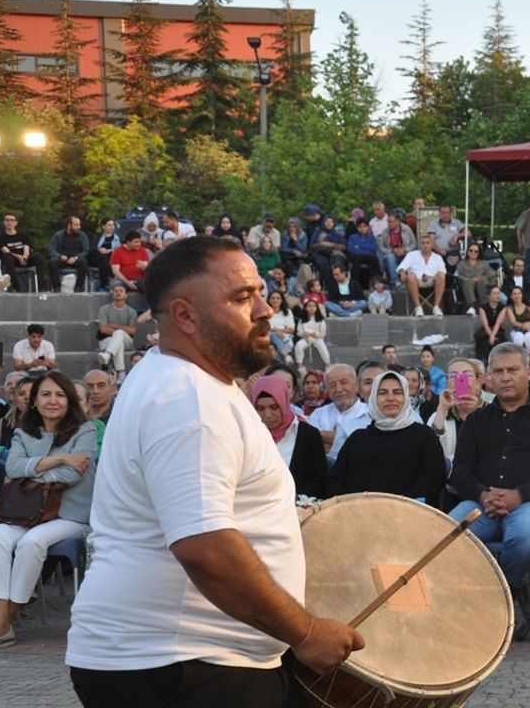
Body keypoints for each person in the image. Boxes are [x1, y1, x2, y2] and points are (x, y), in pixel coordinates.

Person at [67, 237, 364, 704]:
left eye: (261, 292)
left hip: (185, 658)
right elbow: (206, 546)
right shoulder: (190, 402)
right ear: (184, 316)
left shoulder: (185, 379)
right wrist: (305, 634)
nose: (266, 309)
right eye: (243, 298)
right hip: (185, 664)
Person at [450, 344, 530, 641]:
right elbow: (460, 472)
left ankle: (502, 596)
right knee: (447, 537)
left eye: (512, 370)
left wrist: (520, 494)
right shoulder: (476, 421)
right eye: (498, 371)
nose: (505, 377)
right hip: (483, 502)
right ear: (488, 378)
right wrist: (483, 495)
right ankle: (497, 599)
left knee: (525, 538)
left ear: (528, 373)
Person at [0, 372, 97, 649]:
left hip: (70, 514)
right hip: (27, 512)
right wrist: (60, 457)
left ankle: (4, 622)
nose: (53, 400)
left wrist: (34, 473)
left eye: (60, 394)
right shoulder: (23, 432)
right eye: (46, 394)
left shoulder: (84, 430)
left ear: (69, 400)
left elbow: (73, 475)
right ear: (35, 401)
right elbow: (13, 467)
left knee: (32, 542)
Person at [328, 371, 445, 504]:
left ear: (406, 397)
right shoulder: (357, 439)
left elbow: (433, 478)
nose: (390, 398)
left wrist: (394, 507)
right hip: (358, 515)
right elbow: (336, 480)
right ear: (373, 398)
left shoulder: (424, 436)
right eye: (382, 393)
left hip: (408, 515)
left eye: (397, 392)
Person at [250, 376, 326, 499]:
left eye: (274, 407)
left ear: (284, 402)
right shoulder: (249, 434)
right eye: (261, 409)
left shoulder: (308, 435)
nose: (268, 415)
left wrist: (295, 499)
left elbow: (320, 479)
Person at [0, 213, 52, 292]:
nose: (10, 222)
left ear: (16, 223)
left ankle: (41, 288)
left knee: (38, 256)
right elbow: (5, 250)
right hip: (12, 261)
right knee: (7, 256)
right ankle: (16, 288)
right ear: (4, 222)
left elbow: (27, 247)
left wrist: (25, 257)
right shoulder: (0, 238)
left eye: (12, 220)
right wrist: (19, 257)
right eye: (7, 220)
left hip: (25, 259)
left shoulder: (23, 235)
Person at [399, 232, 447, 317]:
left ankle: (436, 307)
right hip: (416, 280)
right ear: (419, 245)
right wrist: (402, 273)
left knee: (441, 276)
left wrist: (431, 276)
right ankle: (418, 307)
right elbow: (402, 267)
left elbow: (443, 271)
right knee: (410, 275)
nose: (425, 245)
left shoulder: (437, 257)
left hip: (432, 280)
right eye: (423, 243)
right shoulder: (412, 254)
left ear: (432, 245)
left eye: (427, 243)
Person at [96, 284, 139, 377]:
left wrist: (114, 326)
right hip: (106, 340)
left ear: (126, 295)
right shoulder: (104, 309)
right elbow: (103, 329)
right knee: (119, 343)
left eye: (121, 291)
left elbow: (132, 330)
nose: (118, 293)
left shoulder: (131, 312)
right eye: (116, 291)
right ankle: (121, 374)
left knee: (119, 333)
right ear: (112, 294)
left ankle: (107, 355)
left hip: (128, 340)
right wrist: (123, 329)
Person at [375, 210, 417, 289]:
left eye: (391, 222)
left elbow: (414, 243)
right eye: (388, 222)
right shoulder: (385, 232)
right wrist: (392, 251)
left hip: (406, 254)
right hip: (392, 255)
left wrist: (405, 250)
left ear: (397, 221)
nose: (389, 224)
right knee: (390, 257)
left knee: (410, 256)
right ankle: (396, 282)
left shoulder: (406, 229)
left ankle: (408, 281)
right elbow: (381, 247)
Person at [48, 216, 92, 291]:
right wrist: (60, 256)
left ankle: (78, 287)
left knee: (83, 263)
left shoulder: (82, 236)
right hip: (62, 259)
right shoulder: (58, 235)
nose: (79, 227)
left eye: (79, 225)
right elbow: (52, 250)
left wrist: (76, 258)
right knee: (52, 262)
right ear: (69, 225)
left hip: (76, 259)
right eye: (76, 225)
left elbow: (86, 251)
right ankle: (57, 287)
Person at [456, 243, 496, 312]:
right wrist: (469, 279)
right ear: (467, 252)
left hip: (482, 283)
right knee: (467, 281)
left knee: (482, 280)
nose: (473, 253)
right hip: (468, 283)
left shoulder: (484, 263)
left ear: (479, 252)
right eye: (470, 250)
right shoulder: (462, 263)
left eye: (476, 251)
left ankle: (484, 305)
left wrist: (480, 278)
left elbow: (491, 274)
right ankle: (472, 306)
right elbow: (458, 275)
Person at [293, 300, 331, 372]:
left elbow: (323, 333)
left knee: (322, 347)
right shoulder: (302, 319)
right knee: (298, 345)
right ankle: (300, 366)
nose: (311, 308)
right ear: (305, 308)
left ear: (317, 308)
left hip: (317, 338)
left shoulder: (320, 319)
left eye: (313, 306)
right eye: (309, 306)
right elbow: (298, 332)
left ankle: (328, 364)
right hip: (306, 338)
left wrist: (316, 334)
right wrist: (304, 334)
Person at [474, 286, 507, 363]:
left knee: (498, 340)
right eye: (495, 293)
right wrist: (490, 335)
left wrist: (492, 336)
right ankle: (482, 361)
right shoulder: (483, 308)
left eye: (498, 293)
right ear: (489, 295)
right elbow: (485, 324)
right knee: (482, 340)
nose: (497, 295)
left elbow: (498, 323)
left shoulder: (503, 307)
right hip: (486, 330)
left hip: (497, 330)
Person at [503, 286, 530, 351]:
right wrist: (524, 326)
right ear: (511, 296)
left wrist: (527, 325)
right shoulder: (509, 308)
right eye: (514, 294)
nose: (517, 296)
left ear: (522, 295)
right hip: (517, 330)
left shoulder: (529, 305)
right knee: (518, 337)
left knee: (528, 337)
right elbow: (513, 322)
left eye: (519, 293)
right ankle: (519, 357)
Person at [90, 219, 122, 289]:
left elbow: (119, 251)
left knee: (103, 264)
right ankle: (112, 277)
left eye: (113, 225)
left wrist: (110, 251)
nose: (112, 227)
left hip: (110, 259)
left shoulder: (117, 238)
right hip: (97, 257)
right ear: (103, 226)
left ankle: (103, 285)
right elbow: (92, 249)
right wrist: (99, 250)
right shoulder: (97, 236)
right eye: (109, 225)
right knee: (104, 257)